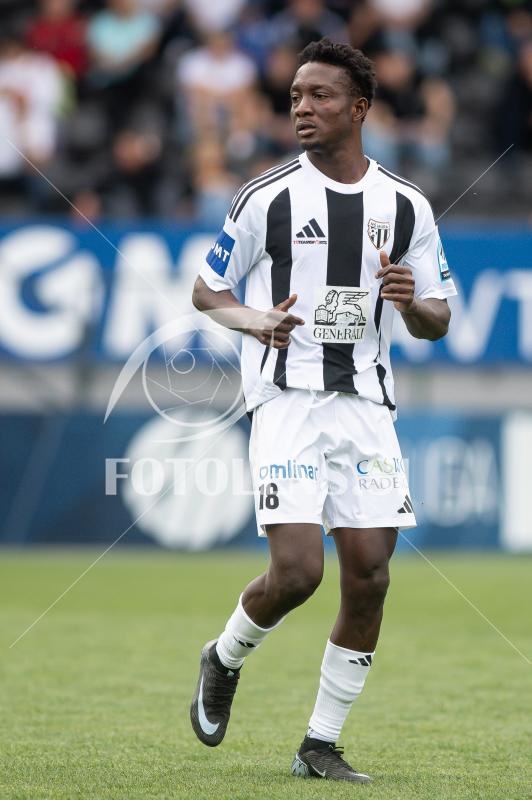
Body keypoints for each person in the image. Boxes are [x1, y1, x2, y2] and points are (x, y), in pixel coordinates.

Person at [190, 37, 456, 783]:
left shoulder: (406, 205)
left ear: (360, 108)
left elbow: (438, 317)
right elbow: (207, 291)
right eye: (296, 97)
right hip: (287, 401)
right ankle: (225, 656)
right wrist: (254, 320)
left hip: (366, 406)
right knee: (299, 572)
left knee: (370, 574)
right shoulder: (266, 196)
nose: (302, 107)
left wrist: (411, 303)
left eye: (321, 96)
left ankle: (320, 744)